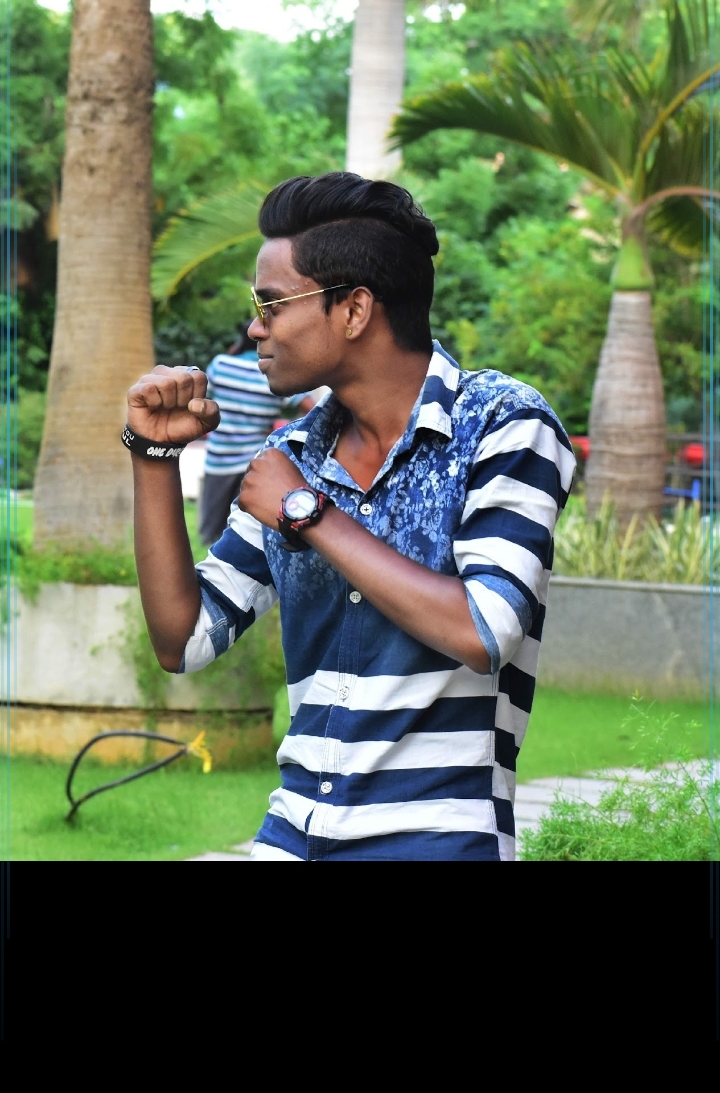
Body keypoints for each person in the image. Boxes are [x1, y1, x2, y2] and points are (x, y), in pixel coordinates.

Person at [124, 171, 575, 862]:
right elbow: (181, 640)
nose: (255, 327)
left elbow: (485, 630)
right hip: (293, 833)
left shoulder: (502, 423)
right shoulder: (292, 456)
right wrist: (154, 456)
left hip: (436, 839)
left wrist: (307, 512)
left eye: (271, 304)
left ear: (355, 310)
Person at [198, 322, 313, 547]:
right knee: (246, 536)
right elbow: (312, 408)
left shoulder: (221, 365)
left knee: (211, 534)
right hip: (257, 463)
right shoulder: (274, 372)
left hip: (219, 460)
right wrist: (284, 429)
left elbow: (203, 401)